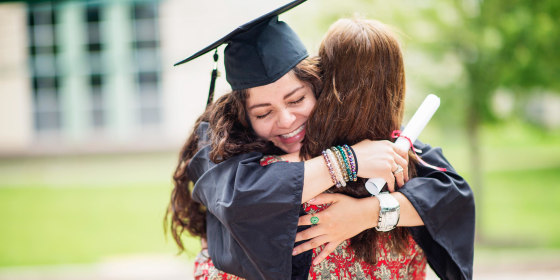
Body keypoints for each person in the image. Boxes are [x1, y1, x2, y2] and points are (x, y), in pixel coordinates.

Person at [168, 4, 474, 280]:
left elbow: (450, 193)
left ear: (319, 88)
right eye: (263, 113)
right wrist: (348, 160)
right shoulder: (223, 149)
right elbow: (241, 197)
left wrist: (365, 213)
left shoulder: (372, 137)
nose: (286, 120)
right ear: (244, 117)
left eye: (297, 99)